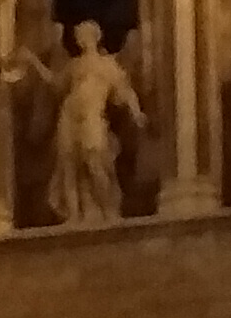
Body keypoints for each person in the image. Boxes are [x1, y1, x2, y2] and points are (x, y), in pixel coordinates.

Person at [10, 18, 142, 226]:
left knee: (95, 161)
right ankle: (73, 215)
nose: (82, 40)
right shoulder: (75, 65)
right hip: (69, 116)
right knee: (69, 165)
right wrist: (34, 61)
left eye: (86, 35)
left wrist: (137, 113)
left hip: (92, 116)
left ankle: (108, 208)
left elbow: (125, 92)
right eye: (79, 36)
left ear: (95, 37)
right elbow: (55, 84)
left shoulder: (107, 65)